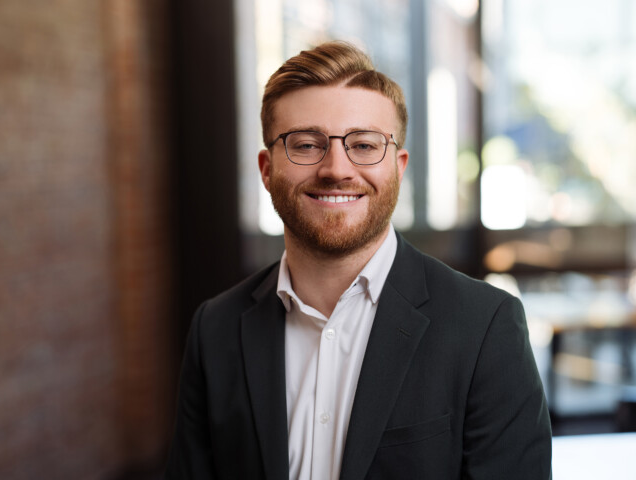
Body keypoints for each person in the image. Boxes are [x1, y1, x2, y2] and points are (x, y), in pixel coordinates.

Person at [165, 41, 552, 479]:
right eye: (306, 145)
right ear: (267, 169)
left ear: (398, 167)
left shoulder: (486, 327)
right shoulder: (215, 329)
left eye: (364, 145)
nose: (336, 168)